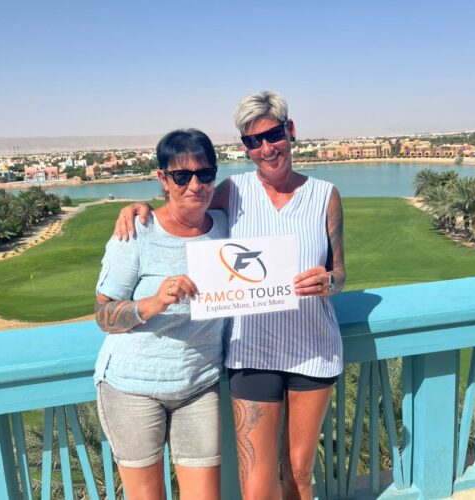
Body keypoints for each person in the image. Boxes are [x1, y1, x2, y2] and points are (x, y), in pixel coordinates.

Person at [114, 91, 345, 500]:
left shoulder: (325, 195)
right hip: (250, 351)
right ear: (245, 147)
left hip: (313, 350)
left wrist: (328, 282)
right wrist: (137, 208)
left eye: (273, 135)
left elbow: (339, 273)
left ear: (290, 131)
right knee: (256, 486)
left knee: (299, 474)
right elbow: (185, 207)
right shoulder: (230, 191)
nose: (266, 148)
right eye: (253, 141)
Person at [94, 129, 228, 500]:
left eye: (205, 173)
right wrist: (153, 302)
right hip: (131, 388)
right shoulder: (137, 232)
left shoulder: (226, 226)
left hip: (198, 384)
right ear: (163, 179)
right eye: (181, 176)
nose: (195, 185)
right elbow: (103, 314)